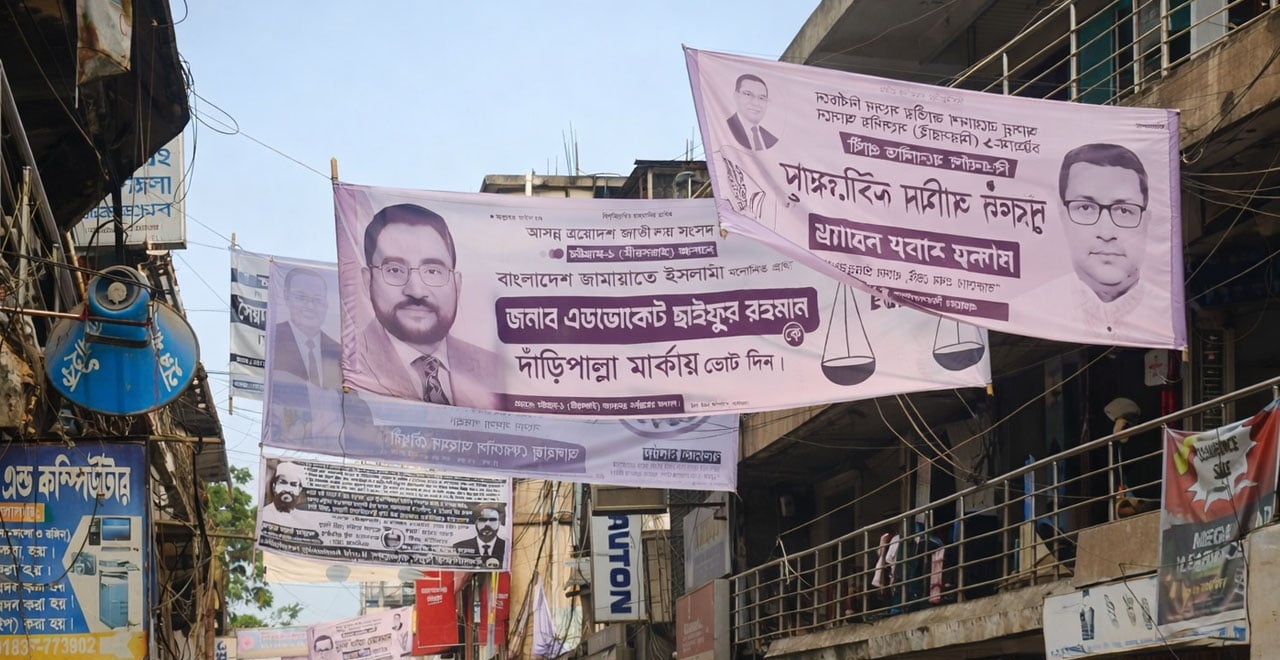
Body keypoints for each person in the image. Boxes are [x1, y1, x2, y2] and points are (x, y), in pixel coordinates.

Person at [351, 203, 502, 409]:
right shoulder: (348, 363)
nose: (416, 290)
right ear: (367, 280)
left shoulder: (497, 370)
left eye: (433, 271)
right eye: (394, 270)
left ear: (456, 284)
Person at [1018, 142, 1169, 342]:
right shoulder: (1026, 310)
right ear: (1063, 218)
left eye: (1124, 210)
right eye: (1086, 208)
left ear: (1146, 222)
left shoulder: (1169, 312)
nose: (1106, 233)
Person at [271, 267, 340, 389]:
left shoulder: (338, 352)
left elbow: (350, 396)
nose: (310, 306)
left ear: (326, 303)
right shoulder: (272, 340)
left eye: (317, 299)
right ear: (287, 297)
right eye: (301, 297)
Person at [726, 74, 777, 151]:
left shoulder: (771, 139)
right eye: (748, 94)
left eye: (761, 98)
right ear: (736, 96)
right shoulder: (724, 129)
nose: (755, 103)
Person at [452, 502, 507, 568]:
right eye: (483, 520)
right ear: (476, 522)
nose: (487, 524)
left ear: (499, 523)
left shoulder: (506, 547)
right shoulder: (458, 547)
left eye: (493, 520)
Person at [260, 461, 309, 527]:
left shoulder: (303, 520)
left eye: (293, 484)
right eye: (283, 483)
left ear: (299, 489)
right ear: (274, 486)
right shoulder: (264, 514)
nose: (287, 489)